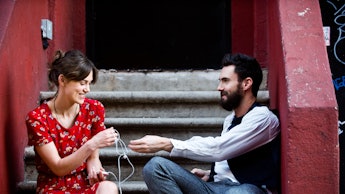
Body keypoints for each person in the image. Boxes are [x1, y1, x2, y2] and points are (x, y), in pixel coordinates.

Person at [128, 53, 281, 194]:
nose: (219, 87)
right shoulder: (230, 120)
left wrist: (167, 143)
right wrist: (211, 174)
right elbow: (229, 158)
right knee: (155, 167)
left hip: (247, 189)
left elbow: (219, 148)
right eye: (220, 81)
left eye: (225, 81)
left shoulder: (263, 118)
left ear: (246, 83)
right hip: (215, 187)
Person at [26, 50, 118, 194]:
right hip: (53, 186)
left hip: (84, 182)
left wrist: (94, 165)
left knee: (109, 188)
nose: (87, 89)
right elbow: (58, 167)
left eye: (89, 83)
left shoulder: (94, 109)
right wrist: (92, 143)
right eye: (82, 83)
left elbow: (93, 157)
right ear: (62, 80)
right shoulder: (38, 118)